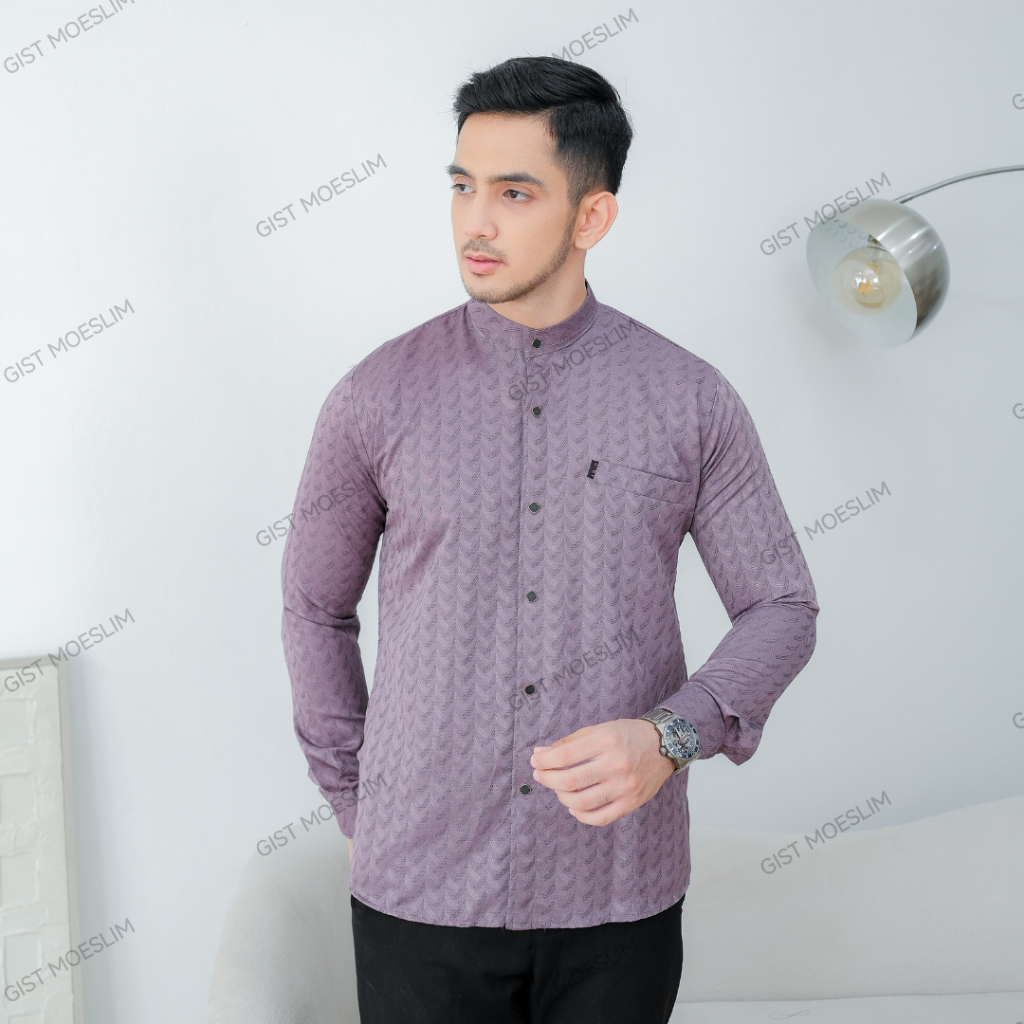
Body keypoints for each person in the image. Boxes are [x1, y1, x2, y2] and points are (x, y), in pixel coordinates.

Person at [281, 55, 818, 1024]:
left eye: (514, 193)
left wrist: (671, 735)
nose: (475, 222)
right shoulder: (374, 397)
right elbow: (315, 608)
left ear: (591, 216)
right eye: (462, 186)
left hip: (617, 888)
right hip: (419, 889)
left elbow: (781, 605)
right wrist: (359, 805)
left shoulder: (689, 399)